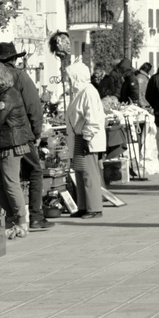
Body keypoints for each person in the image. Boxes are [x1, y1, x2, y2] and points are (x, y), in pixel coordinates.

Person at [0, 42, 52, 231]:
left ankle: (18, 217)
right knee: (31, 173)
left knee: (6, 179)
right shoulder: (19, 76)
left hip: (2, 138)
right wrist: (36, 132)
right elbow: (34, 107)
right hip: (17, 136)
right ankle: (34, 216)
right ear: (14, 58)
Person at [0, 63, 33, 238]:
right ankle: (13, 217)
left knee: (11, 184)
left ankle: (21, 221)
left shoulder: (6, 96)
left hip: (10, 144)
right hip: (7, 143)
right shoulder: (6, 94)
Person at [65, 62, 106, 220]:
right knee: (80, 173)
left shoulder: (88, 92)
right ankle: (83, 206)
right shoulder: (80, 92)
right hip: (79, 137)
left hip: (86, 139)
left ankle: (94, 207)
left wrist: (87, 138)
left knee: (89, 174)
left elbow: (93, 119)